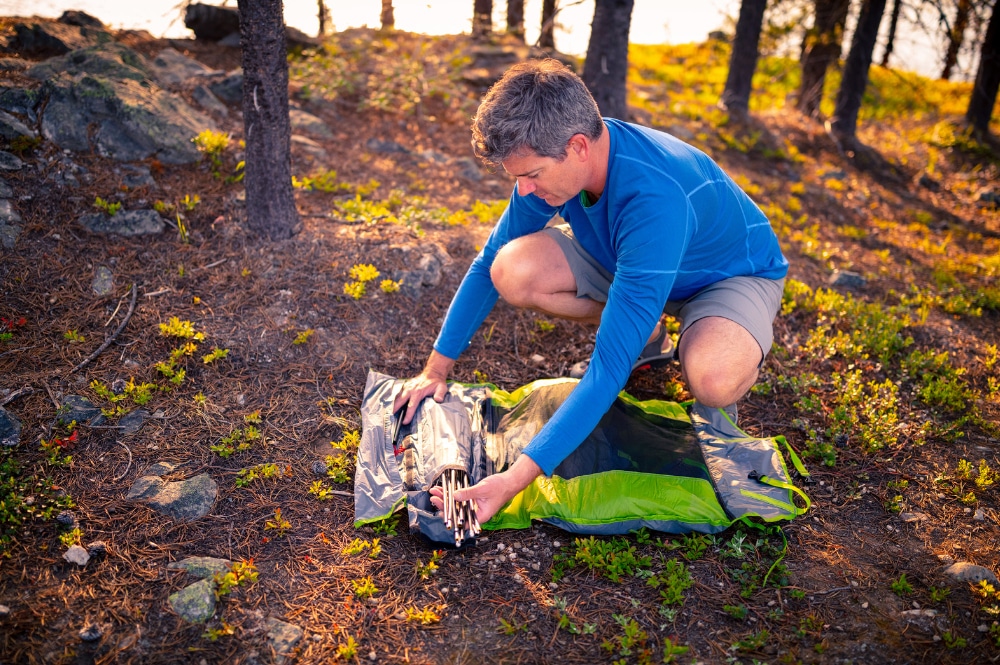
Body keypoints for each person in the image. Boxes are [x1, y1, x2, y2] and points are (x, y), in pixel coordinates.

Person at [393, 59, 788, 524]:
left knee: (713, 379)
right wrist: (436, 370)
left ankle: (705, 336)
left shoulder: (654, 197)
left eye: (533, 174)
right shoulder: (557, 165)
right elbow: (484, 267)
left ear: (578, 146)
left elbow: (606, 371)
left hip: (725, 278)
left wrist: (512, 480)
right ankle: (648, 331)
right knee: (511, 269)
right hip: (629, 262)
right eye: (517, 176)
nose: (524, 189)